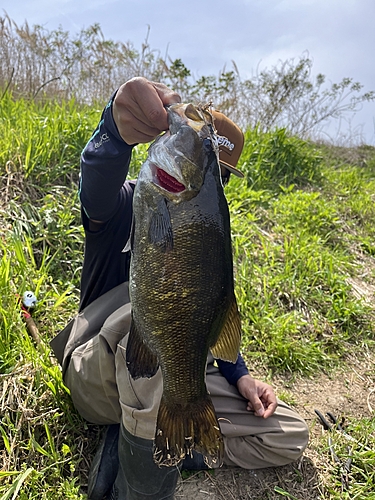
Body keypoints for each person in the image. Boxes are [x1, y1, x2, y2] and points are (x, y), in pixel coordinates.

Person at [51, 77, 309, 500]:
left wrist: (240, 376)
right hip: (97, 375)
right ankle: (141, 483)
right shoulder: (125, 203)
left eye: (218, 175)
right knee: (149, 322)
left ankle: (155, 443)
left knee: (288, 434)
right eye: (204, 155)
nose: (213, 181)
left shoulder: (211, 233)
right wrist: (114, 133)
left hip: (168, 374)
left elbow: (205, 309)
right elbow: (96, 187)